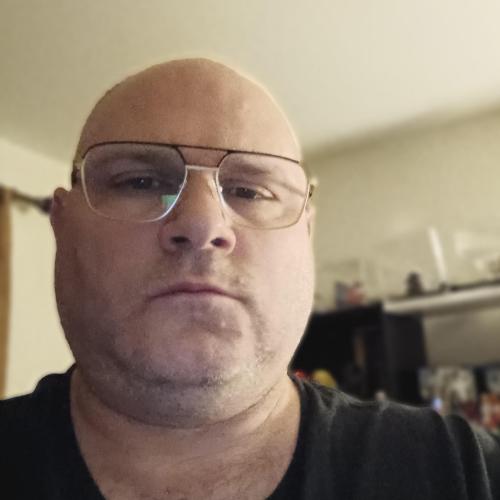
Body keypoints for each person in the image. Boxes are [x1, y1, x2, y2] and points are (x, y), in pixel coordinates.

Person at [1, 58, 499, 500]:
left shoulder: (467, 474)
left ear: (306, 234)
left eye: (249, 191)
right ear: (63, 225)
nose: (202, 225)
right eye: (141, 181)